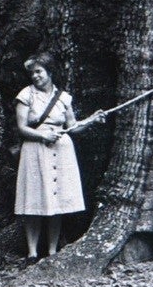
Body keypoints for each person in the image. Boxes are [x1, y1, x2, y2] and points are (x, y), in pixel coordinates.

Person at [14, 52, 104, 261]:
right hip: (35, 149)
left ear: (50, 72)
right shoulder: (26, 95)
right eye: (32, 73)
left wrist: (91, 120)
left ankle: (53, 251)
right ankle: (32, 253)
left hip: (61, 150)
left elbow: (72, 127)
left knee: (57, 202)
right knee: (33, 201)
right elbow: (22, 127)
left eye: (39, 71)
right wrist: (43, 134)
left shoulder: (63, 98)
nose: (35, 76)